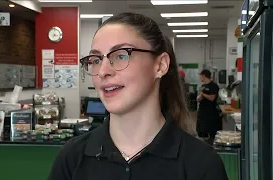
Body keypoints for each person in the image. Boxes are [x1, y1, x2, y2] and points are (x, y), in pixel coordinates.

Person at [48, 12, 228, 180]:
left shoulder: (201, 165)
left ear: (160, 65)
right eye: (95, 60)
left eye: (120, 56)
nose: (103, 71)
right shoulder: (71, 159)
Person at [196, 69, 221, 141]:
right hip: (202, 113)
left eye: (201, 76)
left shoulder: (214, 86)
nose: (200, 77)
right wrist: (201, 93)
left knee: (211, 133)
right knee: (202, 132)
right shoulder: (203, 86)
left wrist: (202, 93)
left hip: (210, 113)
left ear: (203, 76)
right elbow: (198, 99)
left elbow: (212, 98)